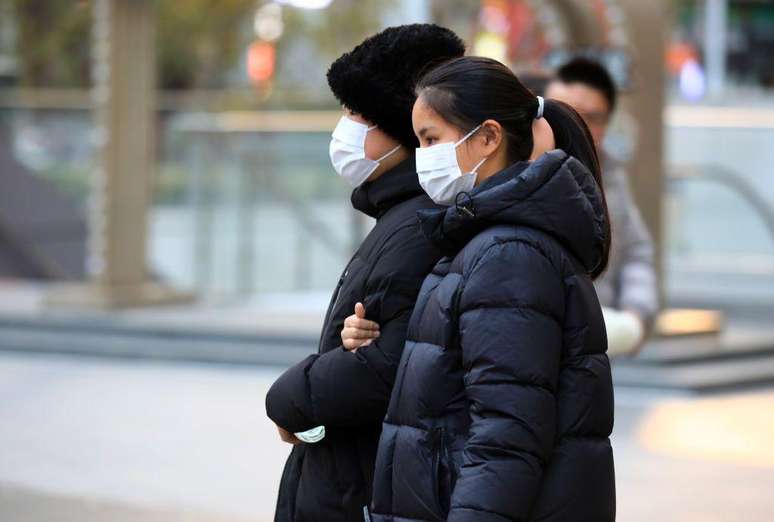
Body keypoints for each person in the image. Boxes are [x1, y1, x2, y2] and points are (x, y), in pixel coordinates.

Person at [343, 56, 615, 521]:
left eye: (431, 139)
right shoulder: (482, 241)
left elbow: (506, 440)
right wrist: (374, 340)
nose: (423, 156)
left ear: (488, 137)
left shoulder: (508, 254)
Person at [264, 24, 465, 522]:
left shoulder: (417, 225)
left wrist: (292, 399)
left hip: (359, 488)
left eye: (358, 114)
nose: (345, 128)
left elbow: (387, 367)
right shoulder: (397, 216)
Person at [546, 57, 659, 356]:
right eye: (560, 111)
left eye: (590, 116)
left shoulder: (611, 175)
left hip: (596, 346)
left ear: (607, 123)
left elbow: (637, 251)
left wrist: (635, 315)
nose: (573, 124)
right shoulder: (520, 173)